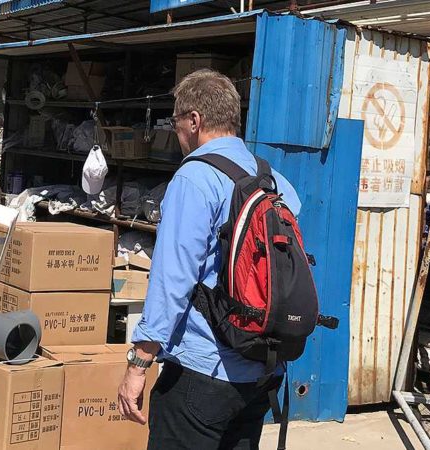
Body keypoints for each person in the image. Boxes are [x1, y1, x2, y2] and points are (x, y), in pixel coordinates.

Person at [117, 69, 302, 450]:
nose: (179, 134)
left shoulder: (195, 178)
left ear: (194, 120)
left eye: (176, 122)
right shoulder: (274, 180)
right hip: (260, 369)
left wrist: (139, 363)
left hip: (203, 371)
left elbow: (173, 278)